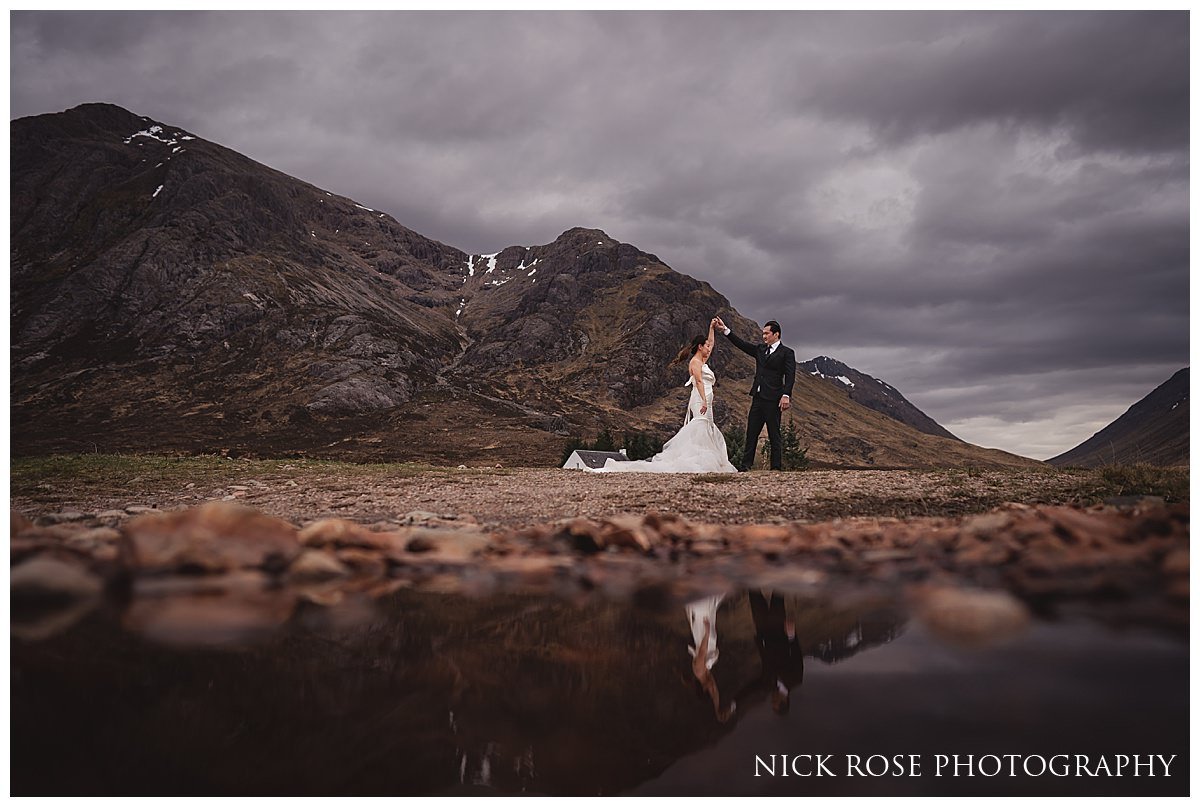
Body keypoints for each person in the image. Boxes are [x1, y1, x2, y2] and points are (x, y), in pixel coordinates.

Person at [595, 318, 737, 473]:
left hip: (707, 399)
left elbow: (711, 343)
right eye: (706, 346)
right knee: (700, 426)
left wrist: (711, 328)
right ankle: (696, 460)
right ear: (700, 347)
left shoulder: (702, 360)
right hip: (699, 398)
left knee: (707, 427)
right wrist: (703, 400)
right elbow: (699, 382)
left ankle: (704, 459)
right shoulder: (695, 363)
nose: (709, 348)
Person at [713, 316, 796, 471]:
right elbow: (742, 345)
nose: (764, 336)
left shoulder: (787, 353)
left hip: (773, 399)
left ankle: (776, 468)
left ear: (776, 334)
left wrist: (786, 395)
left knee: (774, 434)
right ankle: (745, 466)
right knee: (751, 433)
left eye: (767, 333)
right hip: (758, 398)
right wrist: (725, 330)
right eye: (763, 333)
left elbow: (790, 376)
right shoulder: (760, 350)